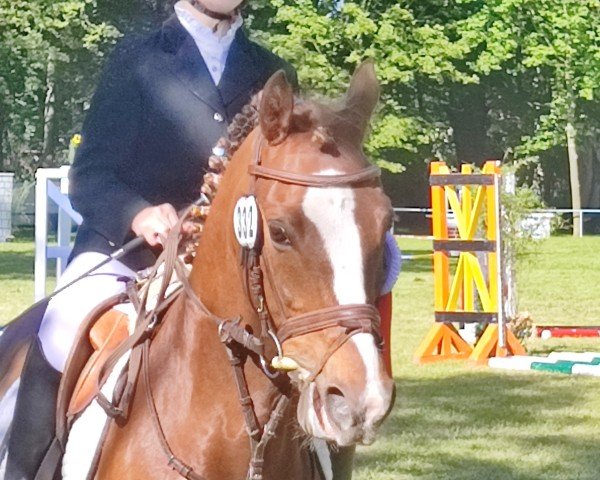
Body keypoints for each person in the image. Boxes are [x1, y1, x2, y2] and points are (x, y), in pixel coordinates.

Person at [5, 1, 297, 478]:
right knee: (60, 327)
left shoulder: (272, 72)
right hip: (129, 253)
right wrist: (138, 213)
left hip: (230, 264)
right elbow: (90, 175)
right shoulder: (135, 59)